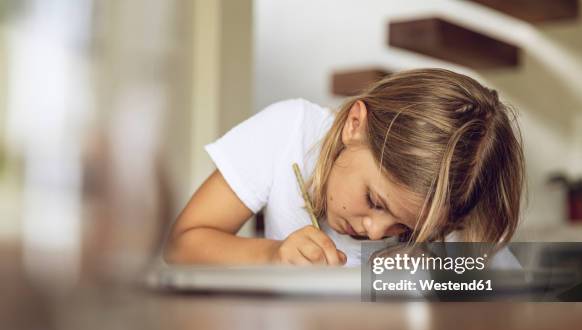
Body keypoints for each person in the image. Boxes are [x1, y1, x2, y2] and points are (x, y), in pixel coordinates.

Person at [164, 68, 525, 267]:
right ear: (355, 124)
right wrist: (271, 255)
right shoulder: (288, 131)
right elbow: (182, 246)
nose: (374, 233)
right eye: (376, 201)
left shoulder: (452, 222)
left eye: (405, 228)